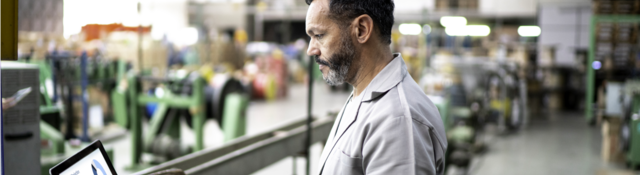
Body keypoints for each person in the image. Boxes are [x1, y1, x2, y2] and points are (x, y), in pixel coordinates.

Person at [304, 0, 447, 174]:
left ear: (361, 30)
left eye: (319, 35)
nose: (311, 50)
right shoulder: (362, 93)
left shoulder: (398, 122)